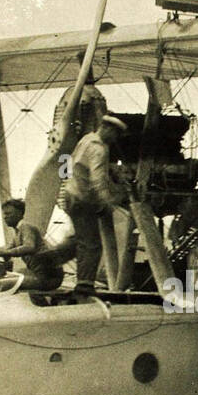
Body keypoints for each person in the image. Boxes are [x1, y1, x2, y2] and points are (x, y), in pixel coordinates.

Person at [63, 114, 130, 294]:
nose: (115, 139)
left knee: (79, 240)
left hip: (72, 196)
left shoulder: (86, 139)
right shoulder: (98, 148)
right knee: (92, 245)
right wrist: (107, 201)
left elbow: (73, 164)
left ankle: (49, 260)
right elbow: (98, 178)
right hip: (82, 200)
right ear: (107, 129)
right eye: (115, 134)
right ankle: (84, 285)